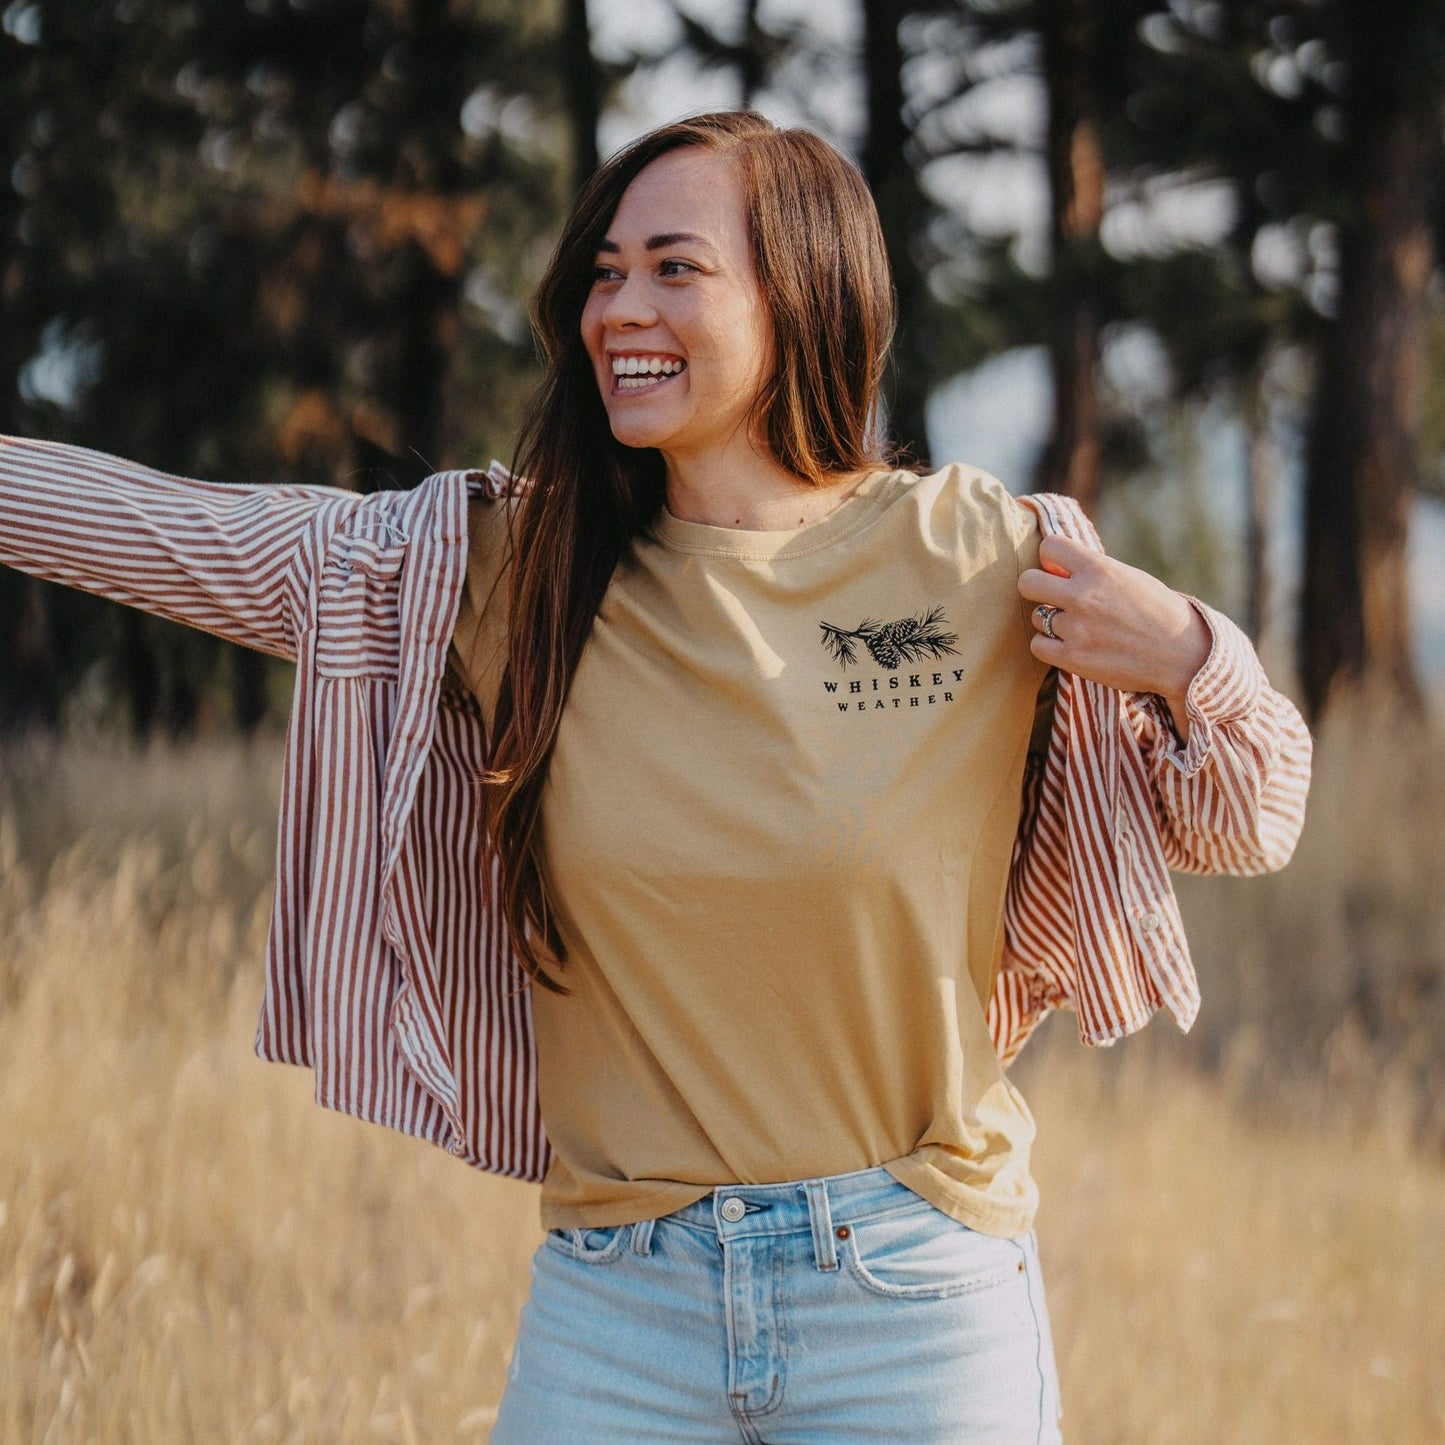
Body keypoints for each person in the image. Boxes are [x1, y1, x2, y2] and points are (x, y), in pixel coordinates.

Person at [0, 111, 1310, 1442]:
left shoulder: (975, 554)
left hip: (907, 1298)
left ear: (800, 292)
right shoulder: (508, 567)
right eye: (605, 272)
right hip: (616, 1306)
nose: (620, 305)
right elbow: (187, 536)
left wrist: (1191, 651)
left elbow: (1249, 814)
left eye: (674, 268)